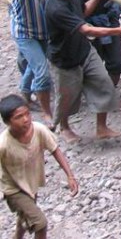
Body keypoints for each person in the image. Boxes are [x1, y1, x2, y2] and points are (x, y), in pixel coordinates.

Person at [42, 0, 121, 143]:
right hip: (64, 58)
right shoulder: (55, 7)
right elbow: (86, 29)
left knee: (103, 82)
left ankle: (101, 127)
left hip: (84, 50)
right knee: (67, 97)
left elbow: (83, 11)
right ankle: (64, 127)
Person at [0, 94, 78, 239]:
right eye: (18, 117)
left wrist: (70, 176)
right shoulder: (4, 144)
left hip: (31, 184)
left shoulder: (38, 130)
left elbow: (55, 150)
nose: (25, 119)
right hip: (14, 190)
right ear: (7, 122)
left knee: (25, 219)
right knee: (40, 223)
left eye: (27, 114)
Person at [8, 0, 54, 124]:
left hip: (43, 29)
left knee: (34, 65)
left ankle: (24, 93)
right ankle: (47, 113)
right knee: (42, 72)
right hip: (26, 32)